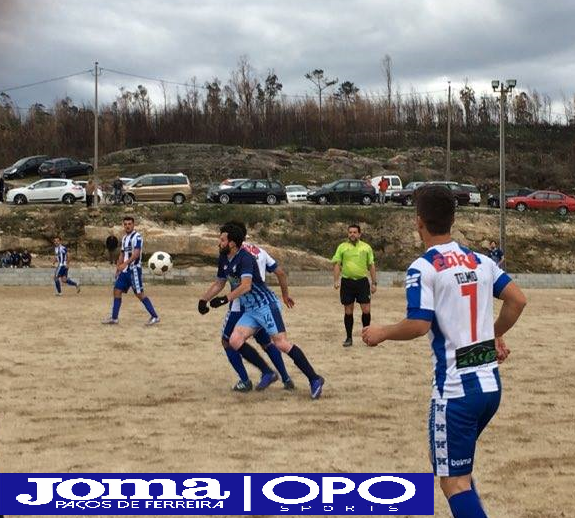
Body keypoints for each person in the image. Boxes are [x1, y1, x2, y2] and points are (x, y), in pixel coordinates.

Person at [362, 184, 527, 518]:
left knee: (453, 482)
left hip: (455, 392)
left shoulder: (423, 268)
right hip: (490, 387)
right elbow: (517, 300)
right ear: (452, 219)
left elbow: (418, 324)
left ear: (418, 221)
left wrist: (382, 332)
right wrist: (492, 336)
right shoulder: (481, 261)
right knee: (455, 468)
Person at [200, 222, 325, 399]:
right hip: (251, 310)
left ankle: (314, 379)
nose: (219, 243)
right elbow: (219, 282)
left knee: (281, 343)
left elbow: (246, 286)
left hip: (266, 305)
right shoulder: (224, 258)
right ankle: (268, 372)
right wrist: (203, 300)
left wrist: (224, 299)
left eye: (222, 240)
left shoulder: (245, 258)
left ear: (232, 243)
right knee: (234, 340)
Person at [102, 216, 160, 325]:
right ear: (123, 225)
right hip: (124, 271)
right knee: (117, 291)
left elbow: (136, 254)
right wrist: (118, 268)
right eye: (125, 224)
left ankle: (155, 316)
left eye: (129, 224)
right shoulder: (124, 238)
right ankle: (114, 318)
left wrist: (125, 264)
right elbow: (122, 254)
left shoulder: (137, 237)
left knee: (139, 294)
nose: (127, 226)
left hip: (134, 270)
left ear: (133, 225)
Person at [332, 224, 377, 347]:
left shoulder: (366, 247)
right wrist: (336, 280)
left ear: (359, 234)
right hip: (347, 282)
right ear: (348, 234)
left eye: (355, 232)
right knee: (348, 311)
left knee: (366, 310)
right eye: (350, 232)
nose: (352, 234)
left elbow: (371, 265)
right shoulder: (342, 247)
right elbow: (337, 264)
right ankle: (349, 338)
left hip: (362, 282)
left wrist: (374, 283)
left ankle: (367, 337)